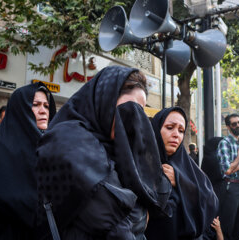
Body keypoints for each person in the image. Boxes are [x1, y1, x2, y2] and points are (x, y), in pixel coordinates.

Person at [36, 66, 171, 239]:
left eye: (140, 111)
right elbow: (116, 222)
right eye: (129, 108)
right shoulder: (68, 140)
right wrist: (142, 215)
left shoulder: (110, 145)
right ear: (106, 99)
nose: (135, 118)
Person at [0, 82, 56, 239]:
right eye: (35, 105)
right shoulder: (1, 150)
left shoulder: (50, 146)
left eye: (46, 106)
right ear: (20, 109)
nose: (43, 111)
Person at [146, 107, 218, 239]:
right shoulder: (141, 163)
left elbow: (211, 201)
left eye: (181, 131)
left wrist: (180, 182)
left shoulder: (187, 166)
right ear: (156, 129)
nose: (176, 135)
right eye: (169, 127)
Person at [201, 137, 225, 204]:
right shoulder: (214, 158)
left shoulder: (208, 156)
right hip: (217, 191)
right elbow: (221, 174)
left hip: (209, 190)